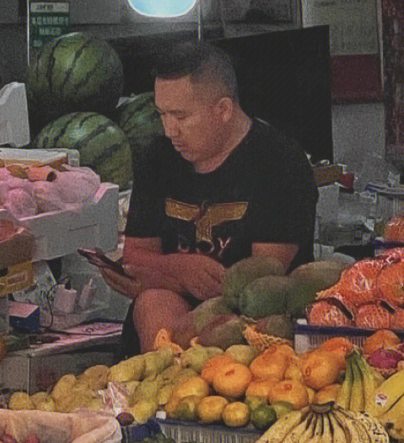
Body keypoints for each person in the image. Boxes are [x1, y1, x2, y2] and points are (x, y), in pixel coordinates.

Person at [96, 41, 318, 352]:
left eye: (181, 116)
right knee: (152, 300)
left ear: (224, 109)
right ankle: (166, 382)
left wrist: (166, 275)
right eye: (162, 114)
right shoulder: (157, 157)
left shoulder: (280, 162)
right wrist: (180, 270)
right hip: (167, 313)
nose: (170, 129)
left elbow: (259, 283)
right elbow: (135, 256)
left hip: (255, 328)